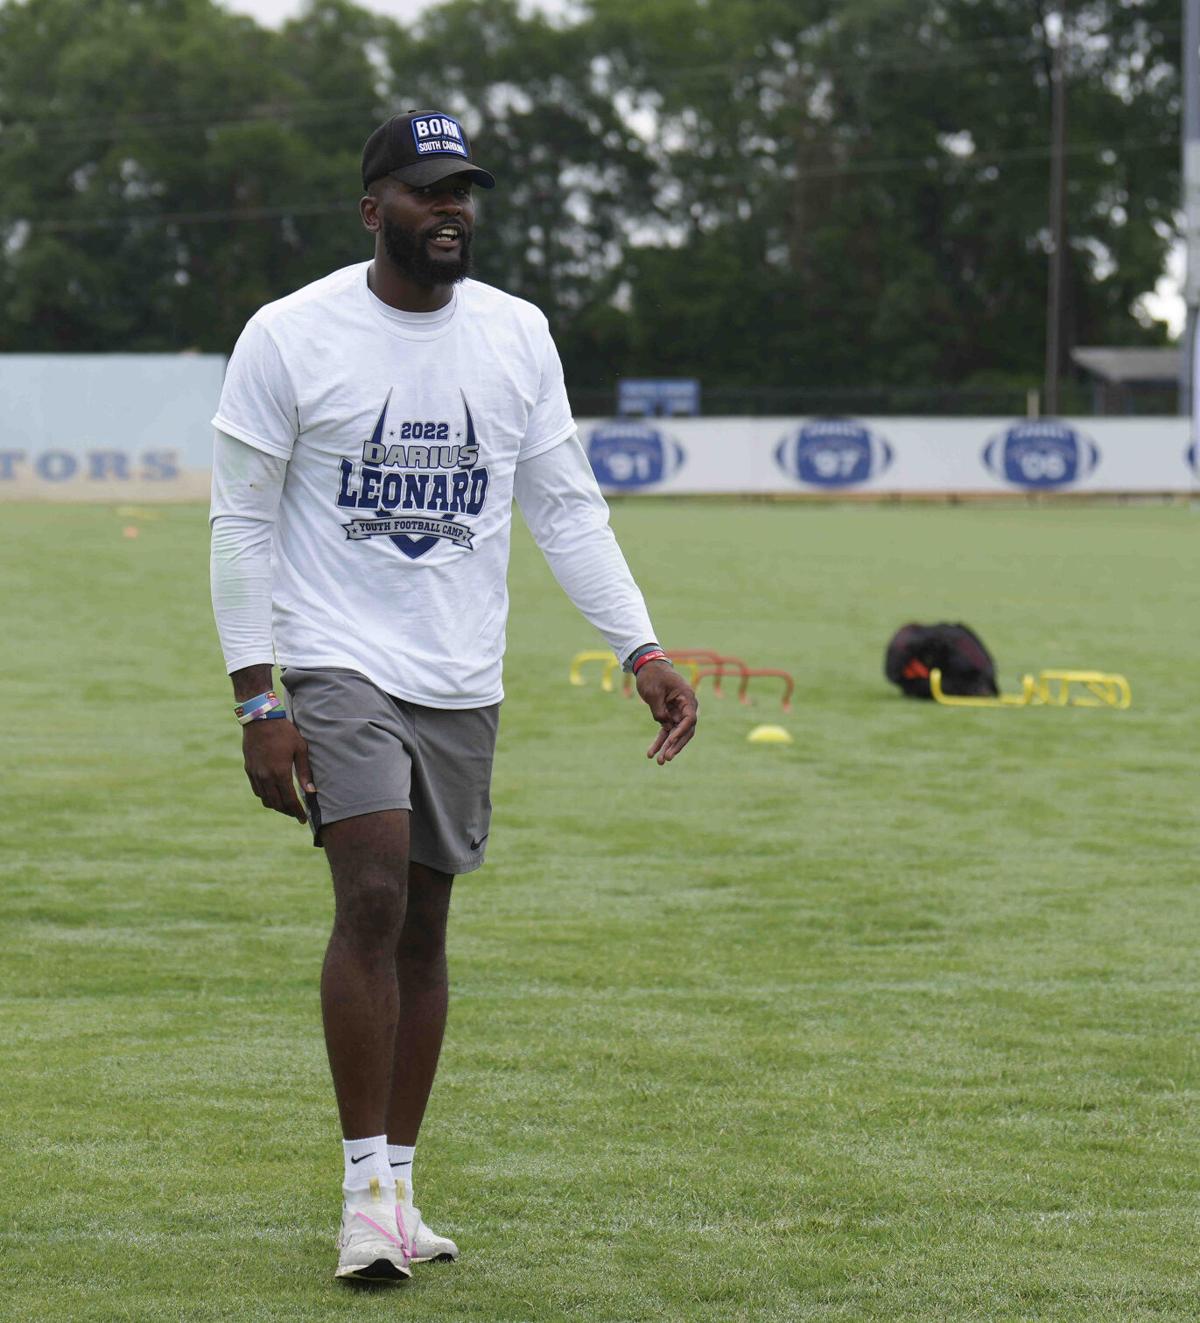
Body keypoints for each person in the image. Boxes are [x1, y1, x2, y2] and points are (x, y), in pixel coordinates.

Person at [208, 109, 698, 1284]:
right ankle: (362, 1197)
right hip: (335, 657)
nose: (451, 212)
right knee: (371, 890)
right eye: (427, 193)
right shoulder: (289, 335)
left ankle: (404, 1191)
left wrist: (641, 649)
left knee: (425, 926)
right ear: (373, 208)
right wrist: (257, 699)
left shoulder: (518, 336)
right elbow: (238, 518)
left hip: (460, 672)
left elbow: (567, 508)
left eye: (464, 191)